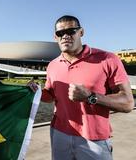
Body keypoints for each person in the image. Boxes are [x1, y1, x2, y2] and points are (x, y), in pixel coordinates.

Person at [42, 15, 134, 160]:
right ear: (55, 37)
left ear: (81, 32)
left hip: (94, 140)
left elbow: (128, 103)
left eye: (71, 31)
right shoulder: (52, 65)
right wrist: (34, 92)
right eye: (60, 33)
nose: (65, 36)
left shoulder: (108, 59)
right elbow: (50, 96)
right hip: (59, 134)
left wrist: (90, 97)